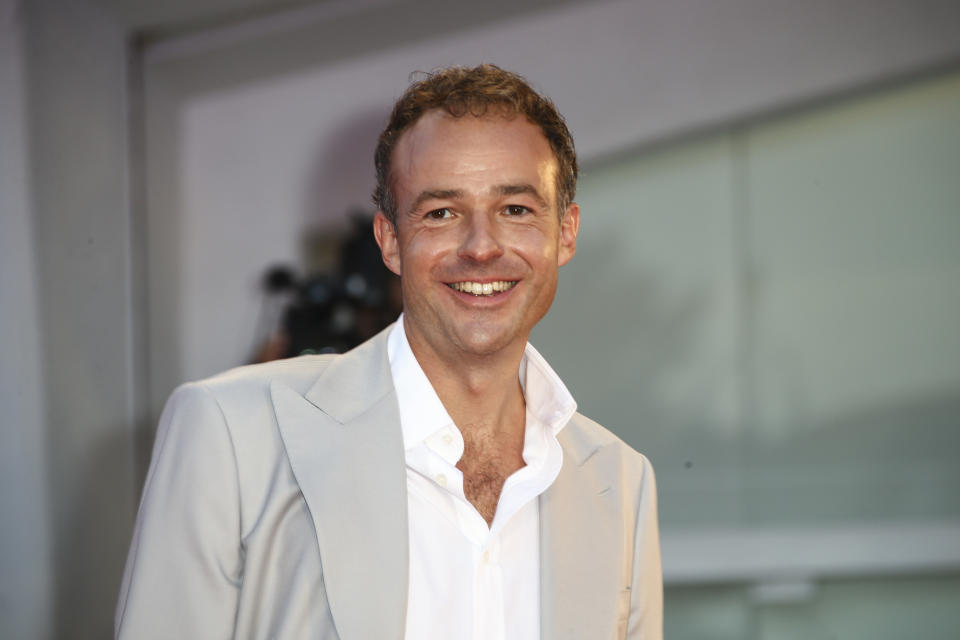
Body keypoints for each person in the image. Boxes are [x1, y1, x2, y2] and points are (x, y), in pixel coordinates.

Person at [115, 64, 662, 639]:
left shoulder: (621, 481)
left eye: (516, 210)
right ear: (392, 241)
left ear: (566, 233)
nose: (481, 247)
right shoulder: (230, 434)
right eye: (441, 213)